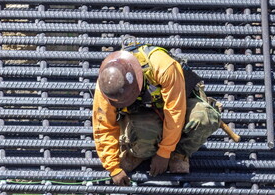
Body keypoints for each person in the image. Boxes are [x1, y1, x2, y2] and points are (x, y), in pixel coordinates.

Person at [92, 45, 221, 185]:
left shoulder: (164, 66)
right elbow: (103, 124)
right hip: (143, 118)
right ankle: (139, 151)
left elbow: (175, 112)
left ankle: (179, 154)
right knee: (144, 130)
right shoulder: (107, 85)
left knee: (205, 117)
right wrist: (113, 168)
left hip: (175, 106)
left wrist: (164, 153)